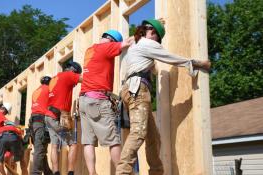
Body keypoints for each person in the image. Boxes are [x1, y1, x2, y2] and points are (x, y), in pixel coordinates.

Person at [116, 19, 211, 175]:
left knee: (153, 138)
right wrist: (196, 63)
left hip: (130, 90)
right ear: (152, 33)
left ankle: (157, 172)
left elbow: (150, 66)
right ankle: (122, 172)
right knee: (138, 132)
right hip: (138, 90)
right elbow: (170, 57)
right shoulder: (149, 44)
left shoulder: (136, 45)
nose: (158, 42)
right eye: (158, 37)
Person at [78, 29, 133, 175]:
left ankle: (92, 173)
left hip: (83, 101)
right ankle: (123, 173)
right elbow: (127, 43)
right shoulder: (106, 47)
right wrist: (144, 31)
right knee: (113, 139)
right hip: (97, 101)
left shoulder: (91, 50)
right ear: (112, 40)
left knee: (88, 141)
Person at [44, 62, 82, 175]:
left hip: (48, 116)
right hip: (57, 117)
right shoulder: (69, 75)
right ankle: (70, 172)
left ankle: (56, 172)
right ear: (73, 70)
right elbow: (84, 79)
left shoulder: (54, 78)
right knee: (73, 143)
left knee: (54, 146)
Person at [29, 76, 53, 175]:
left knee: (41, 149)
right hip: (41, 121)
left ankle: (48, 172)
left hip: (33, 122)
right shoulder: (48, 89)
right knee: (40, 150)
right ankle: (35, 173)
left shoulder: (36, 91)